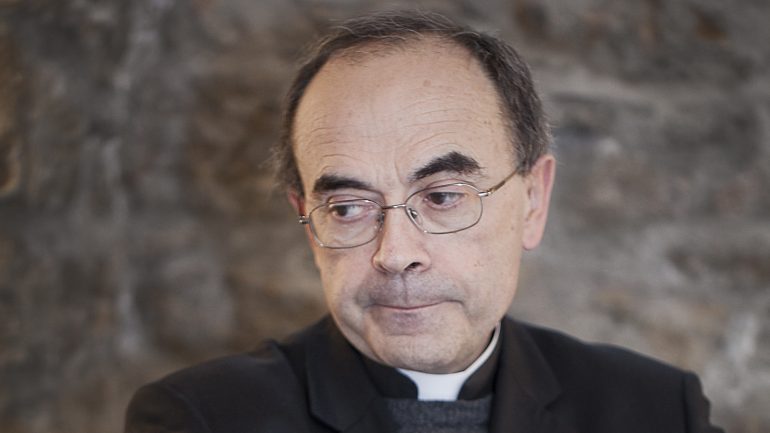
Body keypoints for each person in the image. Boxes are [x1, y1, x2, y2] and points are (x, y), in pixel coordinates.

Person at [125, 10, 724, 433]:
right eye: (348, 208)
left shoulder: (657, 411)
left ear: (533, 201)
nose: (396, 253)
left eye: (442, 196)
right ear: (307, 224)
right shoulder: (199, 419)